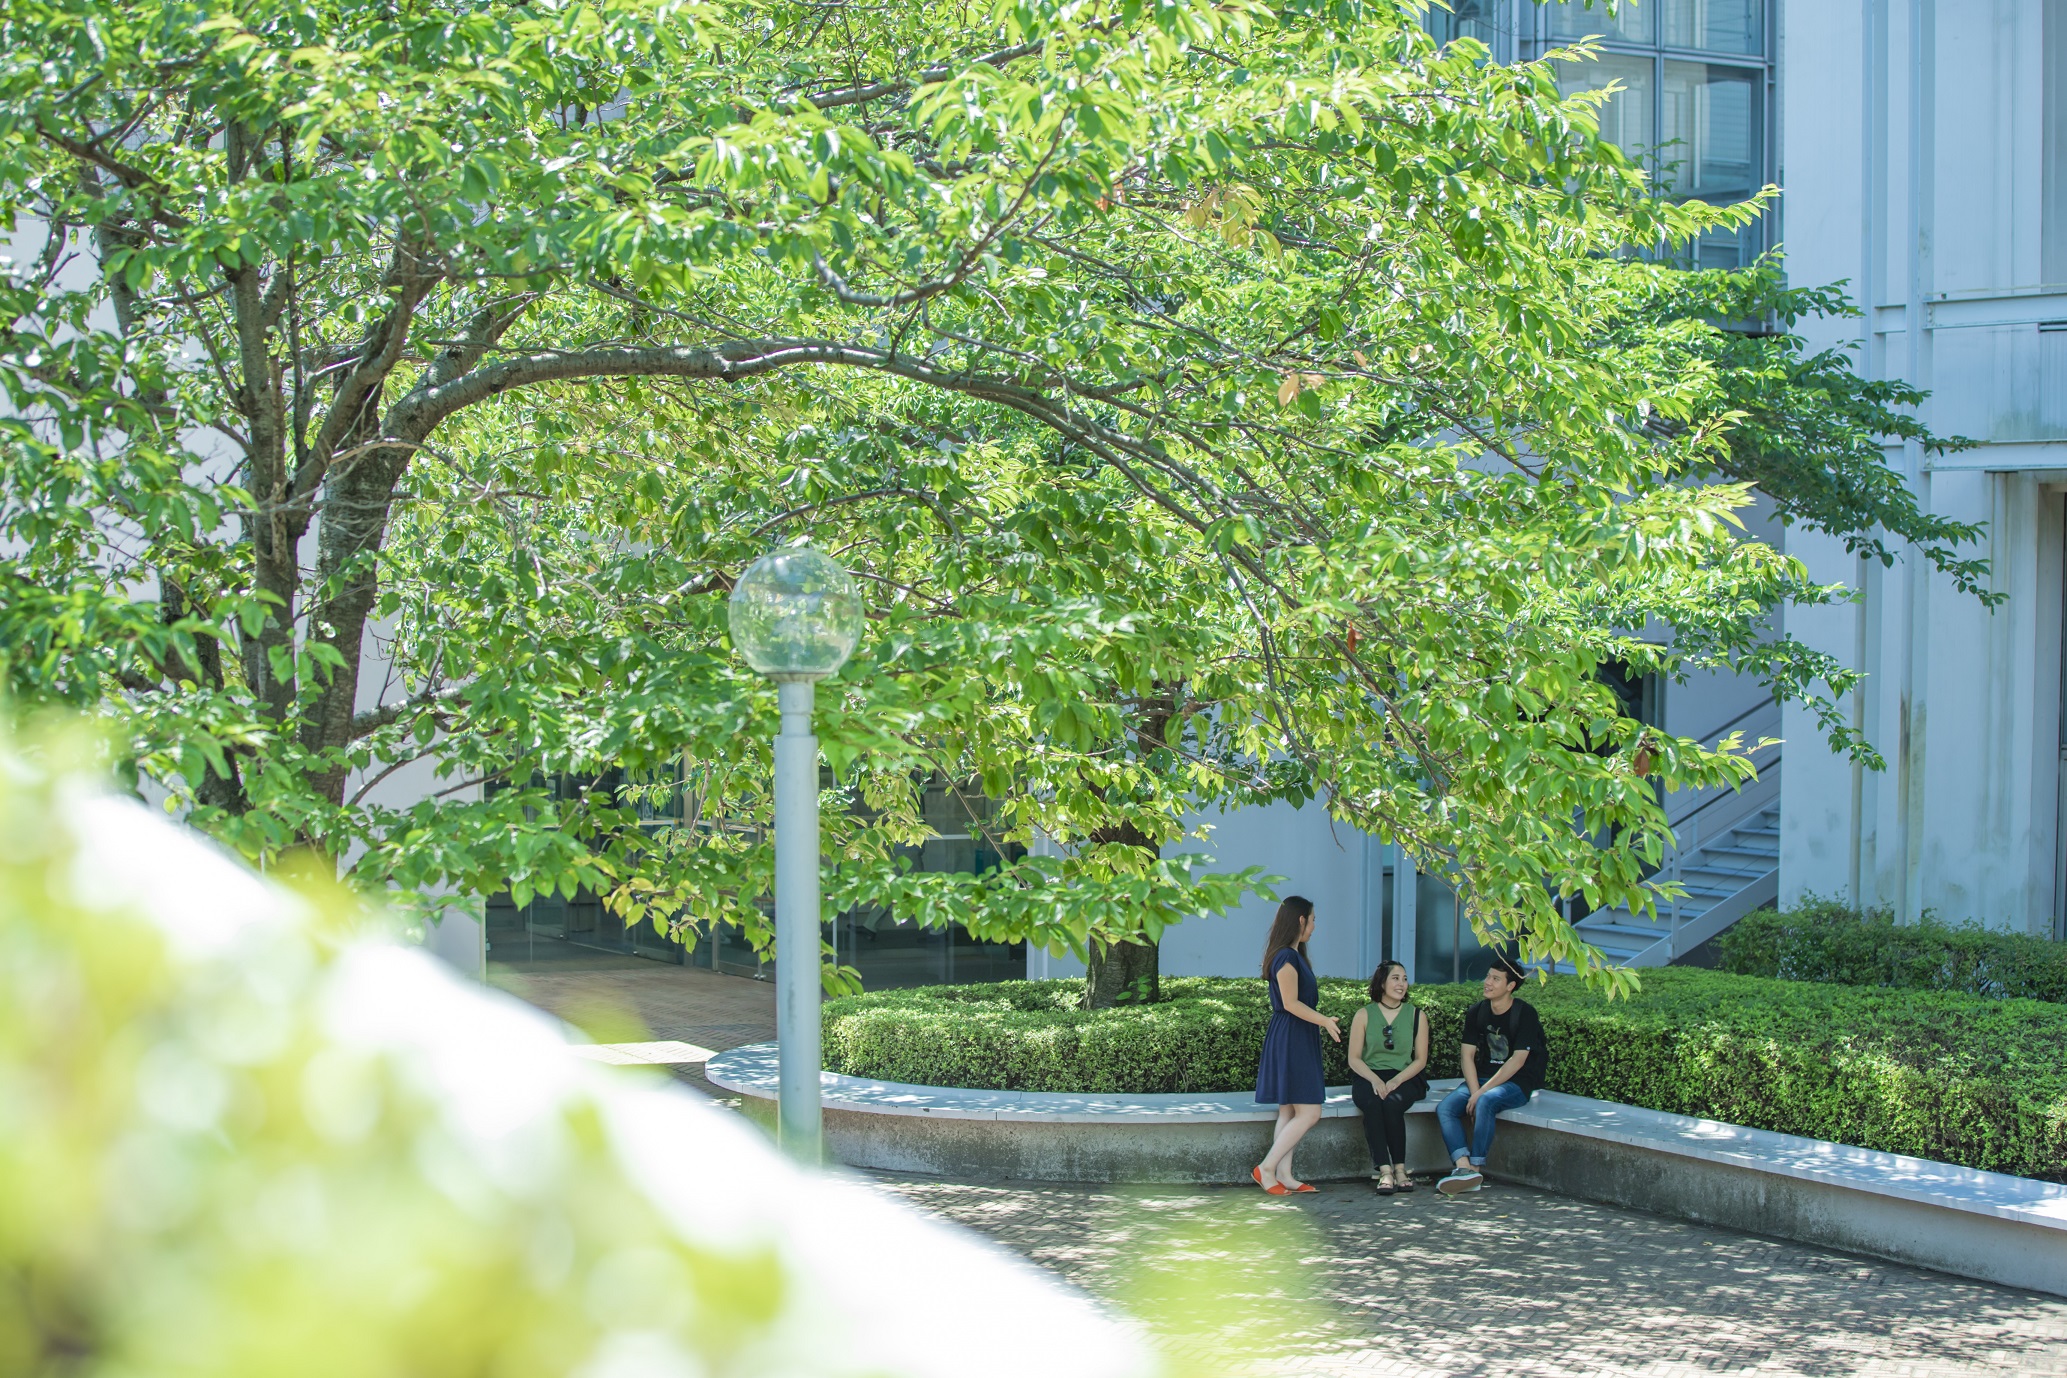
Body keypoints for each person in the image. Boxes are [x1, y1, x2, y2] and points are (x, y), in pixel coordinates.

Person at [1435, 956, 1547, 1195]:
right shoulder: (1477, 1012)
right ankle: (1463, 1167)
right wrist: (1475, 1091)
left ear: (1510, 986)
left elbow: (1517, 1061)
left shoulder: (1525, 1013)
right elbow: (1467, 1056)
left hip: (1516, 1082)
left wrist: (1480, 1094)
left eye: (1495, 979)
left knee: (1486, 1101)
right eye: (1487, 976)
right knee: (1445, 1108)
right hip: (1482, 1079)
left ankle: (1476, 1167)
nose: (1487, 982)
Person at [1252, 896, 1341, 1194]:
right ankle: (1266, 1169)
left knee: (1289, 1112)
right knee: (1309, 1113)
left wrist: (1321, 1021)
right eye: (1313, 919)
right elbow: (1291, 1004)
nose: (1315, 926)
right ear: (1301, 920)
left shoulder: (1290, 955)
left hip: (1293, 1035)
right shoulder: (1287, 958)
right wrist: (1325, 1021)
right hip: (1293, 1036)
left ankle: (1283, 1175)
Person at [1347, 960, 1429, 1196]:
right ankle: (1385, 1170)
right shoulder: (1364, 1014)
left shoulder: (1416, 1015)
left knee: (1392, 1104)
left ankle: (1401, 1169)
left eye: (1404, 979)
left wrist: (1395, 1081)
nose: (1401, 984)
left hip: (1405, 1076)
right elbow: (1354, 1058)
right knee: (1372, 1104)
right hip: (1368, 1074)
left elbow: (1420, 1060)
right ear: (1381, 982)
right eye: (1395, 978)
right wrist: (1374, 1080)